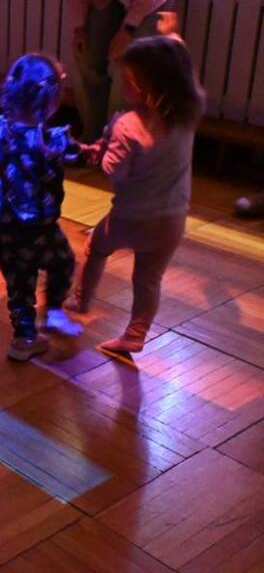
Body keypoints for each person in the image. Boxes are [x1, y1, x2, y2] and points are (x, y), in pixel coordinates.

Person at [67, 36, 205, 353]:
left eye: (129, 80)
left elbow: (114, 171)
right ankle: (135, 334)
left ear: (146, 86)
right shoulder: (188, 114)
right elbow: (189, 76)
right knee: (148, 279)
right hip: (172, 220)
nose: (123, 84)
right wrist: (173, 37)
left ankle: (81, 300)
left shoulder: (128, 124)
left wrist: (101, 150)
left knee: (96, 247)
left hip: (130, 218)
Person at [0, 54, 88, 361]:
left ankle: (24, 339)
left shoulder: (1, 130)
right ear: (50, 101)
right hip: (39, 227)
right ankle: (54, 309)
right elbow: (78, 156)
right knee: (63, 262)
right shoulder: (51, 140)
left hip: (5, 223)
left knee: (19, 284)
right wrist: (94, 149)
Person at [67, 0, 181, 142]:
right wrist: (79, 28)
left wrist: (129, 29)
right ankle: (94, 136)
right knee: (87, 54)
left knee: (131, 66)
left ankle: (120, 141)